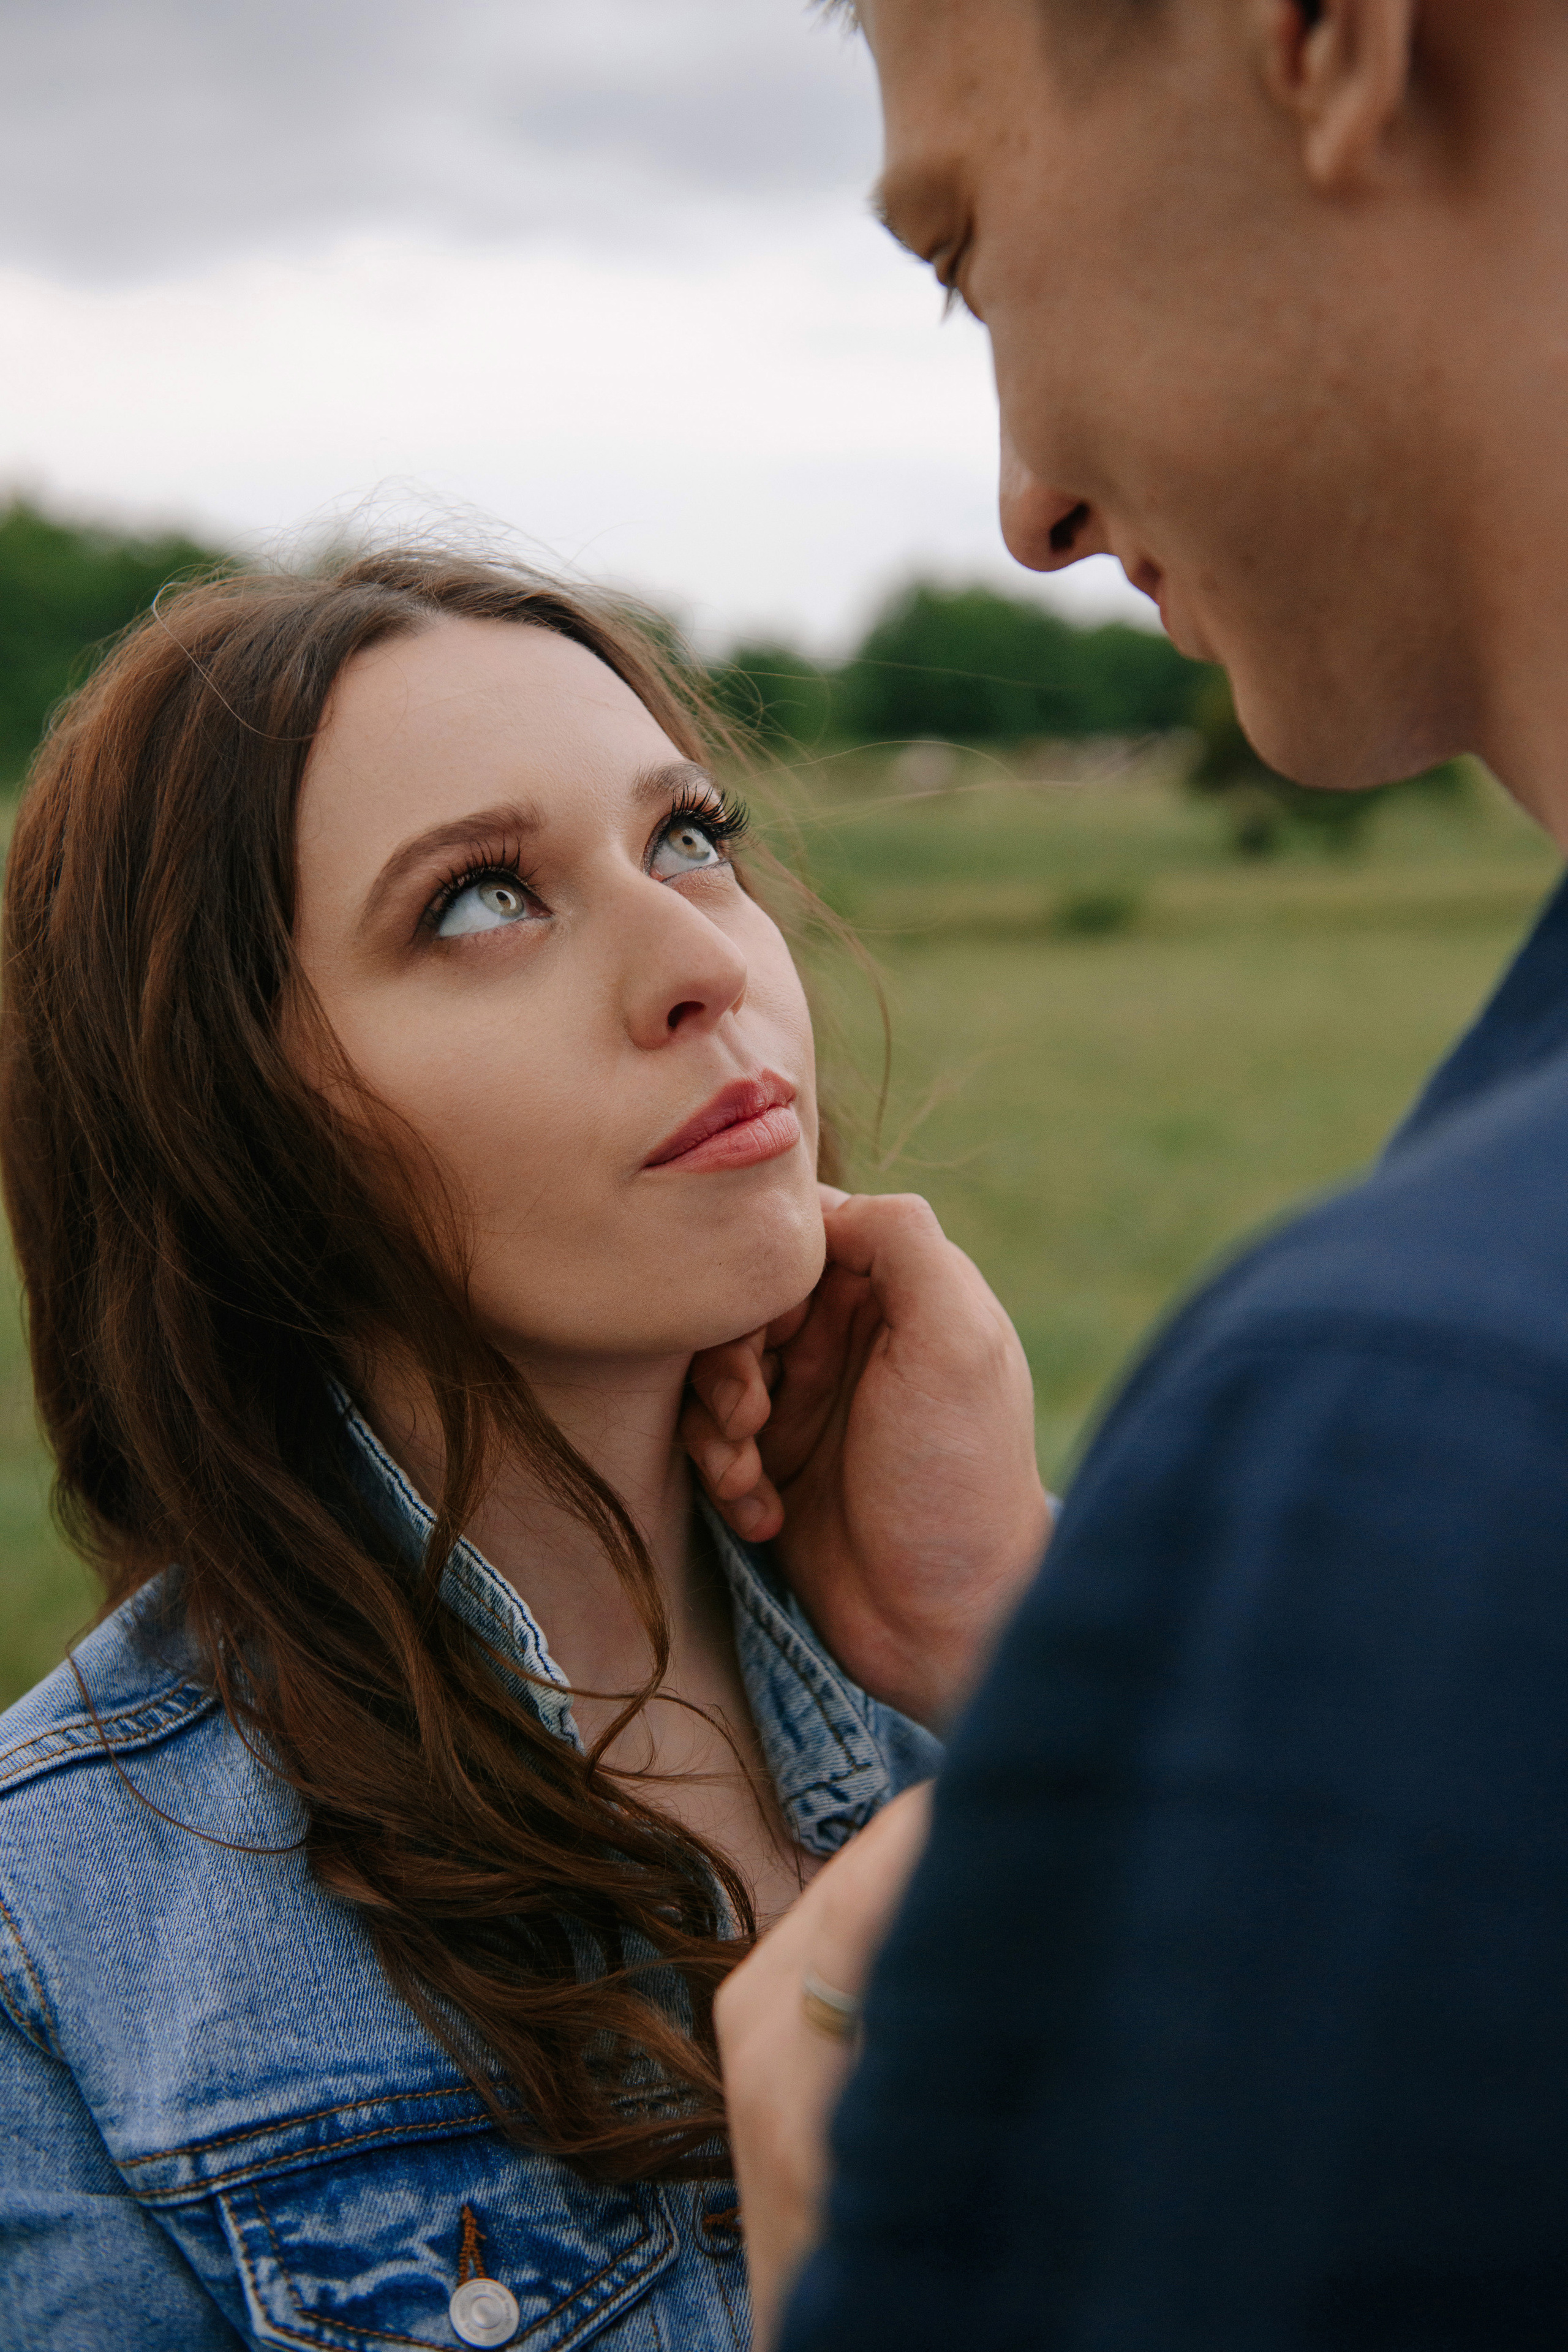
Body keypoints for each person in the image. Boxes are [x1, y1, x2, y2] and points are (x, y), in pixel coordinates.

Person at [706, 0, 1568, 2344]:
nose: (1029, 504)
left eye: (972, 256)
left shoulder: (1420, 1413)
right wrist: (1109, 1666)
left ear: (1326, 42)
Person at [0, 548, 1048, 2348]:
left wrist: (1020, 1638)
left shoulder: (1050, 1667)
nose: (697, 965)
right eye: (483, 901)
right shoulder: (64, 1950)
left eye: (687, 839)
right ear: (232, 1118)